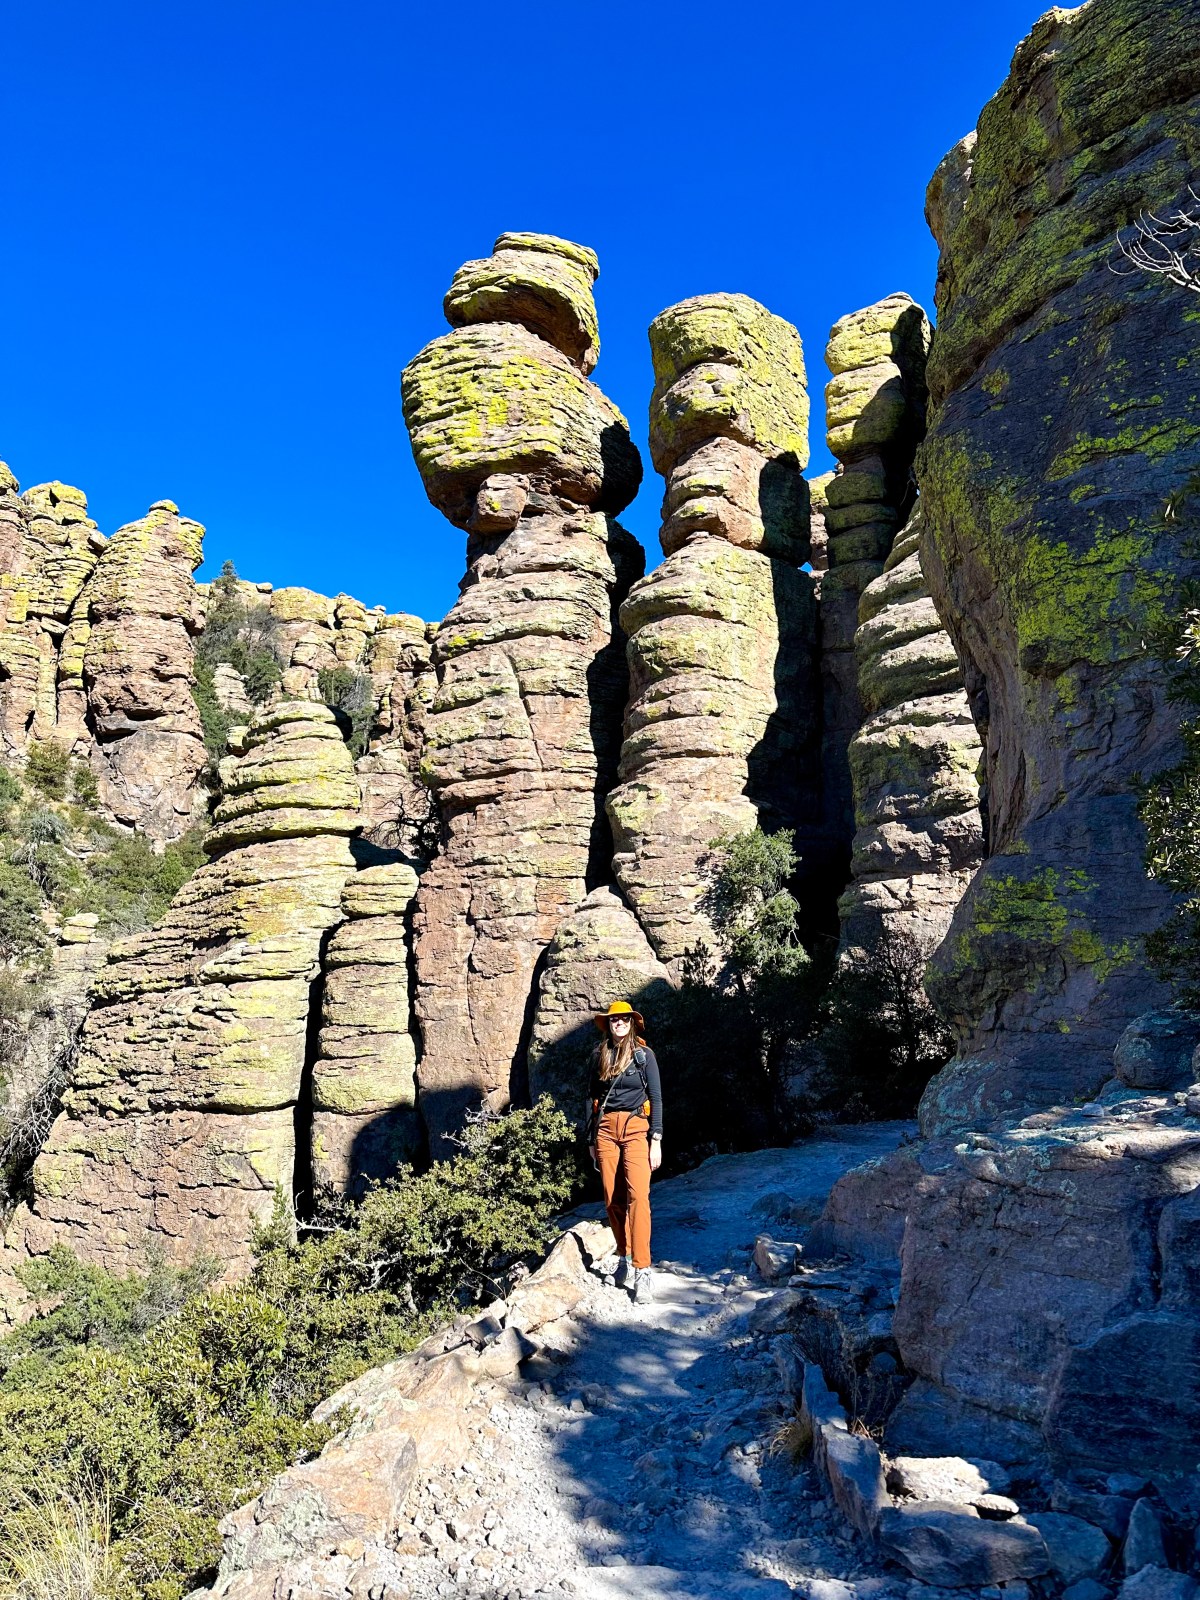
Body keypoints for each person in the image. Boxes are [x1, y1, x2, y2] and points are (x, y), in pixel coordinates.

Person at [586, 1000, 662, 1303]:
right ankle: (623, 1254)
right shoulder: (599, 1054)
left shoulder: (645, 1057)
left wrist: (656, 1139)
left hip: (635, 1129)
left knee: (638, 1197)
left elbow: (656, 1098)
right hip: (605, 1130)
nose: (619, 1023)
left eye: (624, 1019)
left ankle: (642, 1269)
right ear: (608, 1023)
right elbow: (590, 1097)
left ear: (632, 1023)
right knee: (611, 1199)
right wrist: (590, 1140)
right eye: (614, 1019)